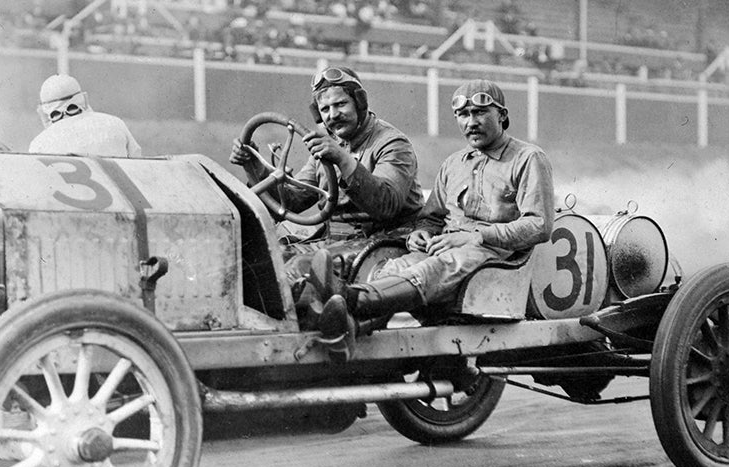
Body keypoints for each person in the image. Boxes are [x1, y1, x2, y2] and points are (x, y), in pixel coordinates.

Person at [309, 79, 555, 352]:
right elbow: (432, 217)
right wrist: (420, 233)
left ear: (503, 116)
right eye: (463, 115)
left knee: (435, 268)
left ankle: (349, 300)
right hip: (447, 246)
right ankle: (349, 321)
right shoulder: (453, 164)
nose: (471, 122)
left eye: (480, 113)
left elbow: (539, 225)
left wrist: (476, 236)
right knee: (395, 267)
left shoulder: (528, 158)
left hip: (492, 252)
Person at [229, 65, 425, 282]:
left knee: (300, 269)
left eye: (341, 104)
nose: (333, 115)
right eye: (325, 110)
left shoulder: (392, 144)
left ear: (360, 103)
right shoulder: (328, 142)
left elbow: (386, 205)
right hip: (338, 241)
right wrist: (255, 165)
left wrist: (342, 158)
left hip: (386, 241)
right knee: (266, 258)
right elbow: (295, 199)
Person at [28, 74, 142, 157]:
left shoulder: (39, 143)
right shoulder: (115, 123)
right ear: (84, 98)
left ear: (43, 110)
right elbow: (137, 160)